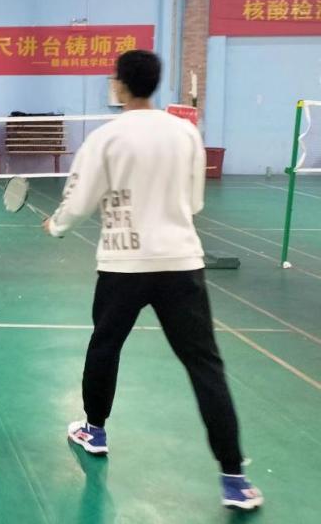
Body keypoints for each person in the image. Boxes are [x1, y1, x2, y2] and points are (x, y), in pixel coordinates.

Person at [42, 50, 262, 511]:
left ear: (120, 84)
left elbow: (78, 200)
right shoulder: (186, 134)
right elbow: (195, 203)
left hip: (123, 265)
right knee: (205, 366)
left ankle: (94, 430)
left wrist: (57, 226)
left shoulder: (105, 138)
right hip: (181, 263)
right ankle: (235, 479)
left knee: (105, 347)